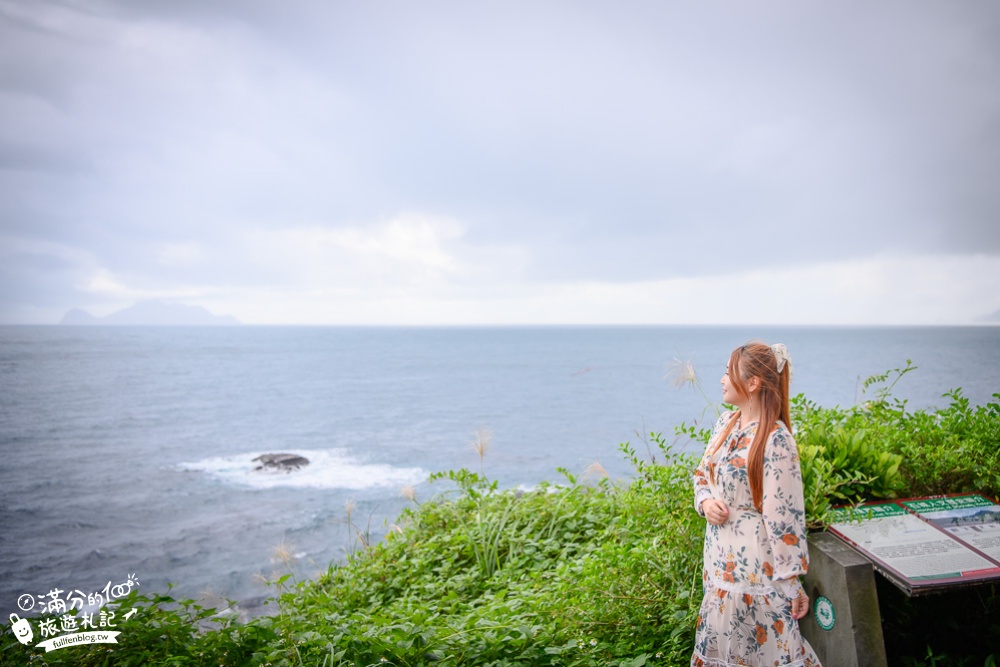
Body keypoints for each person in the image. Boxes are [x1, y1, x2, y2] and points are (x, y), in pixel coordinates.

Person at [691, 342, 821, 667]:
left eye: (727, 371)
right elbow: (701, 475)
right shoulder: (725, 424)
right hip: (718, 568)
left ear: (752, 383)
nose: (721, 379)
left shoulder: (776, 440)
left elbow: (784, 518)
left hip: (758, 575)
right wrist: (705, 502)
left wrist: (793, 585)